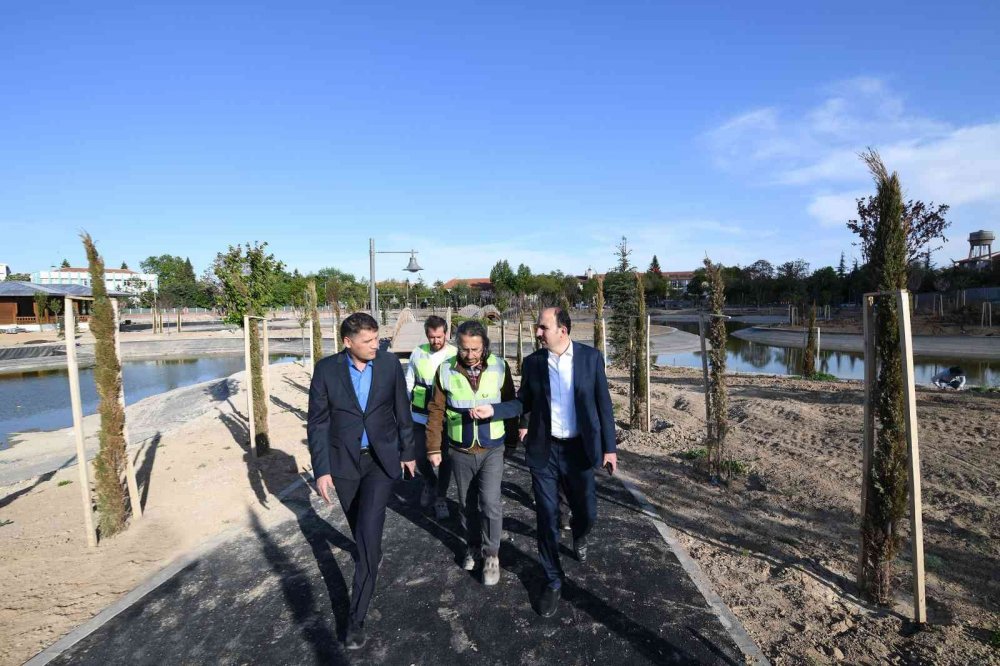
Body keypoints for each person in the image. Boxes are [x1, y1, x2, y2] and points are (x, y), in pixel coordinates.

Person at [307, 312, 416, 650]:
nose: (375, 345)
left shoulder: (389, 365)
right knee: (359, 526)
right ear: (347, 342)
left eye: (377, 338)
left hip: (381, 462)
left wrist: (408, 452)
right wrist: (322, 470)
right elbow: (318, 423)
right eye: (368, 341)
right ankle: (371, 552)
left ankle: (355, 617)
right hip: (344, 463)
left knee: (367, 536)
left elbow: (402, 410)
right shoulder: (326, 370)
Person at [514, 307, 617, 617]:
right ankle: (553, 580)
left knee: (587, 512)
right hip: (545, 450)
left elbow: (603, 405)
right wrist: (510, 417)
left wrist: (609, 448)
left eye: (542, 327)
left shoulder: (590, 358)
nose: (537, 332)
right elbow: (524, 401)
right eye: (537, 327)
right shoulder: (533, 362)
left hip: (579, 450)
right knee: (546, 517)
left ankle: (580, 535)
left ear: (563, 330)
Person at [426, 320, 520, 586]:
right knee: (467, 505)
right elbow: (436, 410)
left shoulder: (500, 367)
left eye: (475, 349)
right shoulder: (445, 370)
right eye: (464, 349)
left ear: (485, 346)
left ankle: (491, 556)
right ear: (457, 345)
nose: (469, 355)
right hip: (460, 449)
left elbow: (511, 404)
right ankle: (473, 547)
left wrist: (512, 442)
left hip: (492, 448)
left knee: (489, 502)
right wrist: (433, 447)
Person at [404, 315, 457, 519]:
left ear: (446, 334)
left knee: (445, 459)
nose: (435, 341)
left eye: (439, 337)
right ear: (427, 335)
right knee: (420, 456)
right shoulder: (418, 353)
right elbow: (409, 381)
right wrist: (403, 407)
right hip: (419, 416)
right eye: (432, 337)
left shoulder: (454, 354)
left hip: (445, 418)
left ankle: (441, 497)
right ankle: (429, 481)